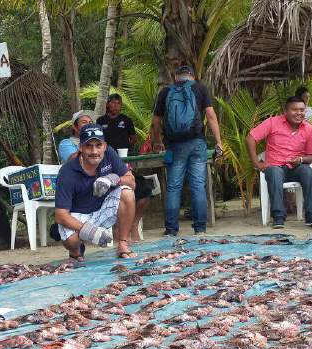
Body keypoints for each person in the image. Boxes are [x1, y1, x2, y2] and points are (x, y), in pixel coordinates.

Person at [151, 65, 223, 236]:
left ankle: (171, 230)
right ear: (192, 76)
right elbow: (211, 116)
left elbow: (155, 122)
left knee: (174, 187)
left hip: (175, 145)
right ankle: (200, 229)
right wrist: (219, 142)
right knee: (198, 184)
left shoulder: (165, 92)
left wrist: (158, 142)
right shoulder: (200, 88)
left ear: (176, 76)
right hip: (197, 143)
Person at [54, 124, 136, 260]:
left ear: (104, 146)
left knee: (127, 193)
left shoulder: (109, 153)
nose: (94, 151)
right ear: (80, 148)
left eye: (98, 145)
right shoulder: (67, 172)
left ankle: (122, 243)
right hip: (76, 216)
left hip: (101, 210)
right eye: (88, 146)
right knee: (72, 241)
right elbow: (60, 215)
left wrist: (113, 179)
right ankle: (76, 251)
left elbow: (132, 181)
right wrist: (90, 232)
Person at [246, 96, 312, 229]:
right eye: (295, 110)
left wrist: (301, 160)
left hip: (296, 168)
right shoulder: (272, 122)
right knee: (275, 171)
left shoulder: (309, 129)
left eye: (302, 110)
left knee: (308, 171)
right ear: (285, 111)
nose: (299, 113)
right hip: (275, 166)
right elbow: (250, 138)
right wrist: (257, 163)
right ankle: (278, 217)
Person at [98, 94, 153, 242]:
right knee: (117, 193)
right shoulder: (100, 121)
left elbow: (133, 137)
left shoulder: (126, 120)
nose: (115, 106)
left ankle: (134, 223)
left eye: (118, 103)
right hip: (107, 169)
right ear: (108, 104)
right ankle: (119, 230)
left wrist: (127, 148)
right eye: (113, 103)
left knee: (145, 188)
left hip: (125, 163)